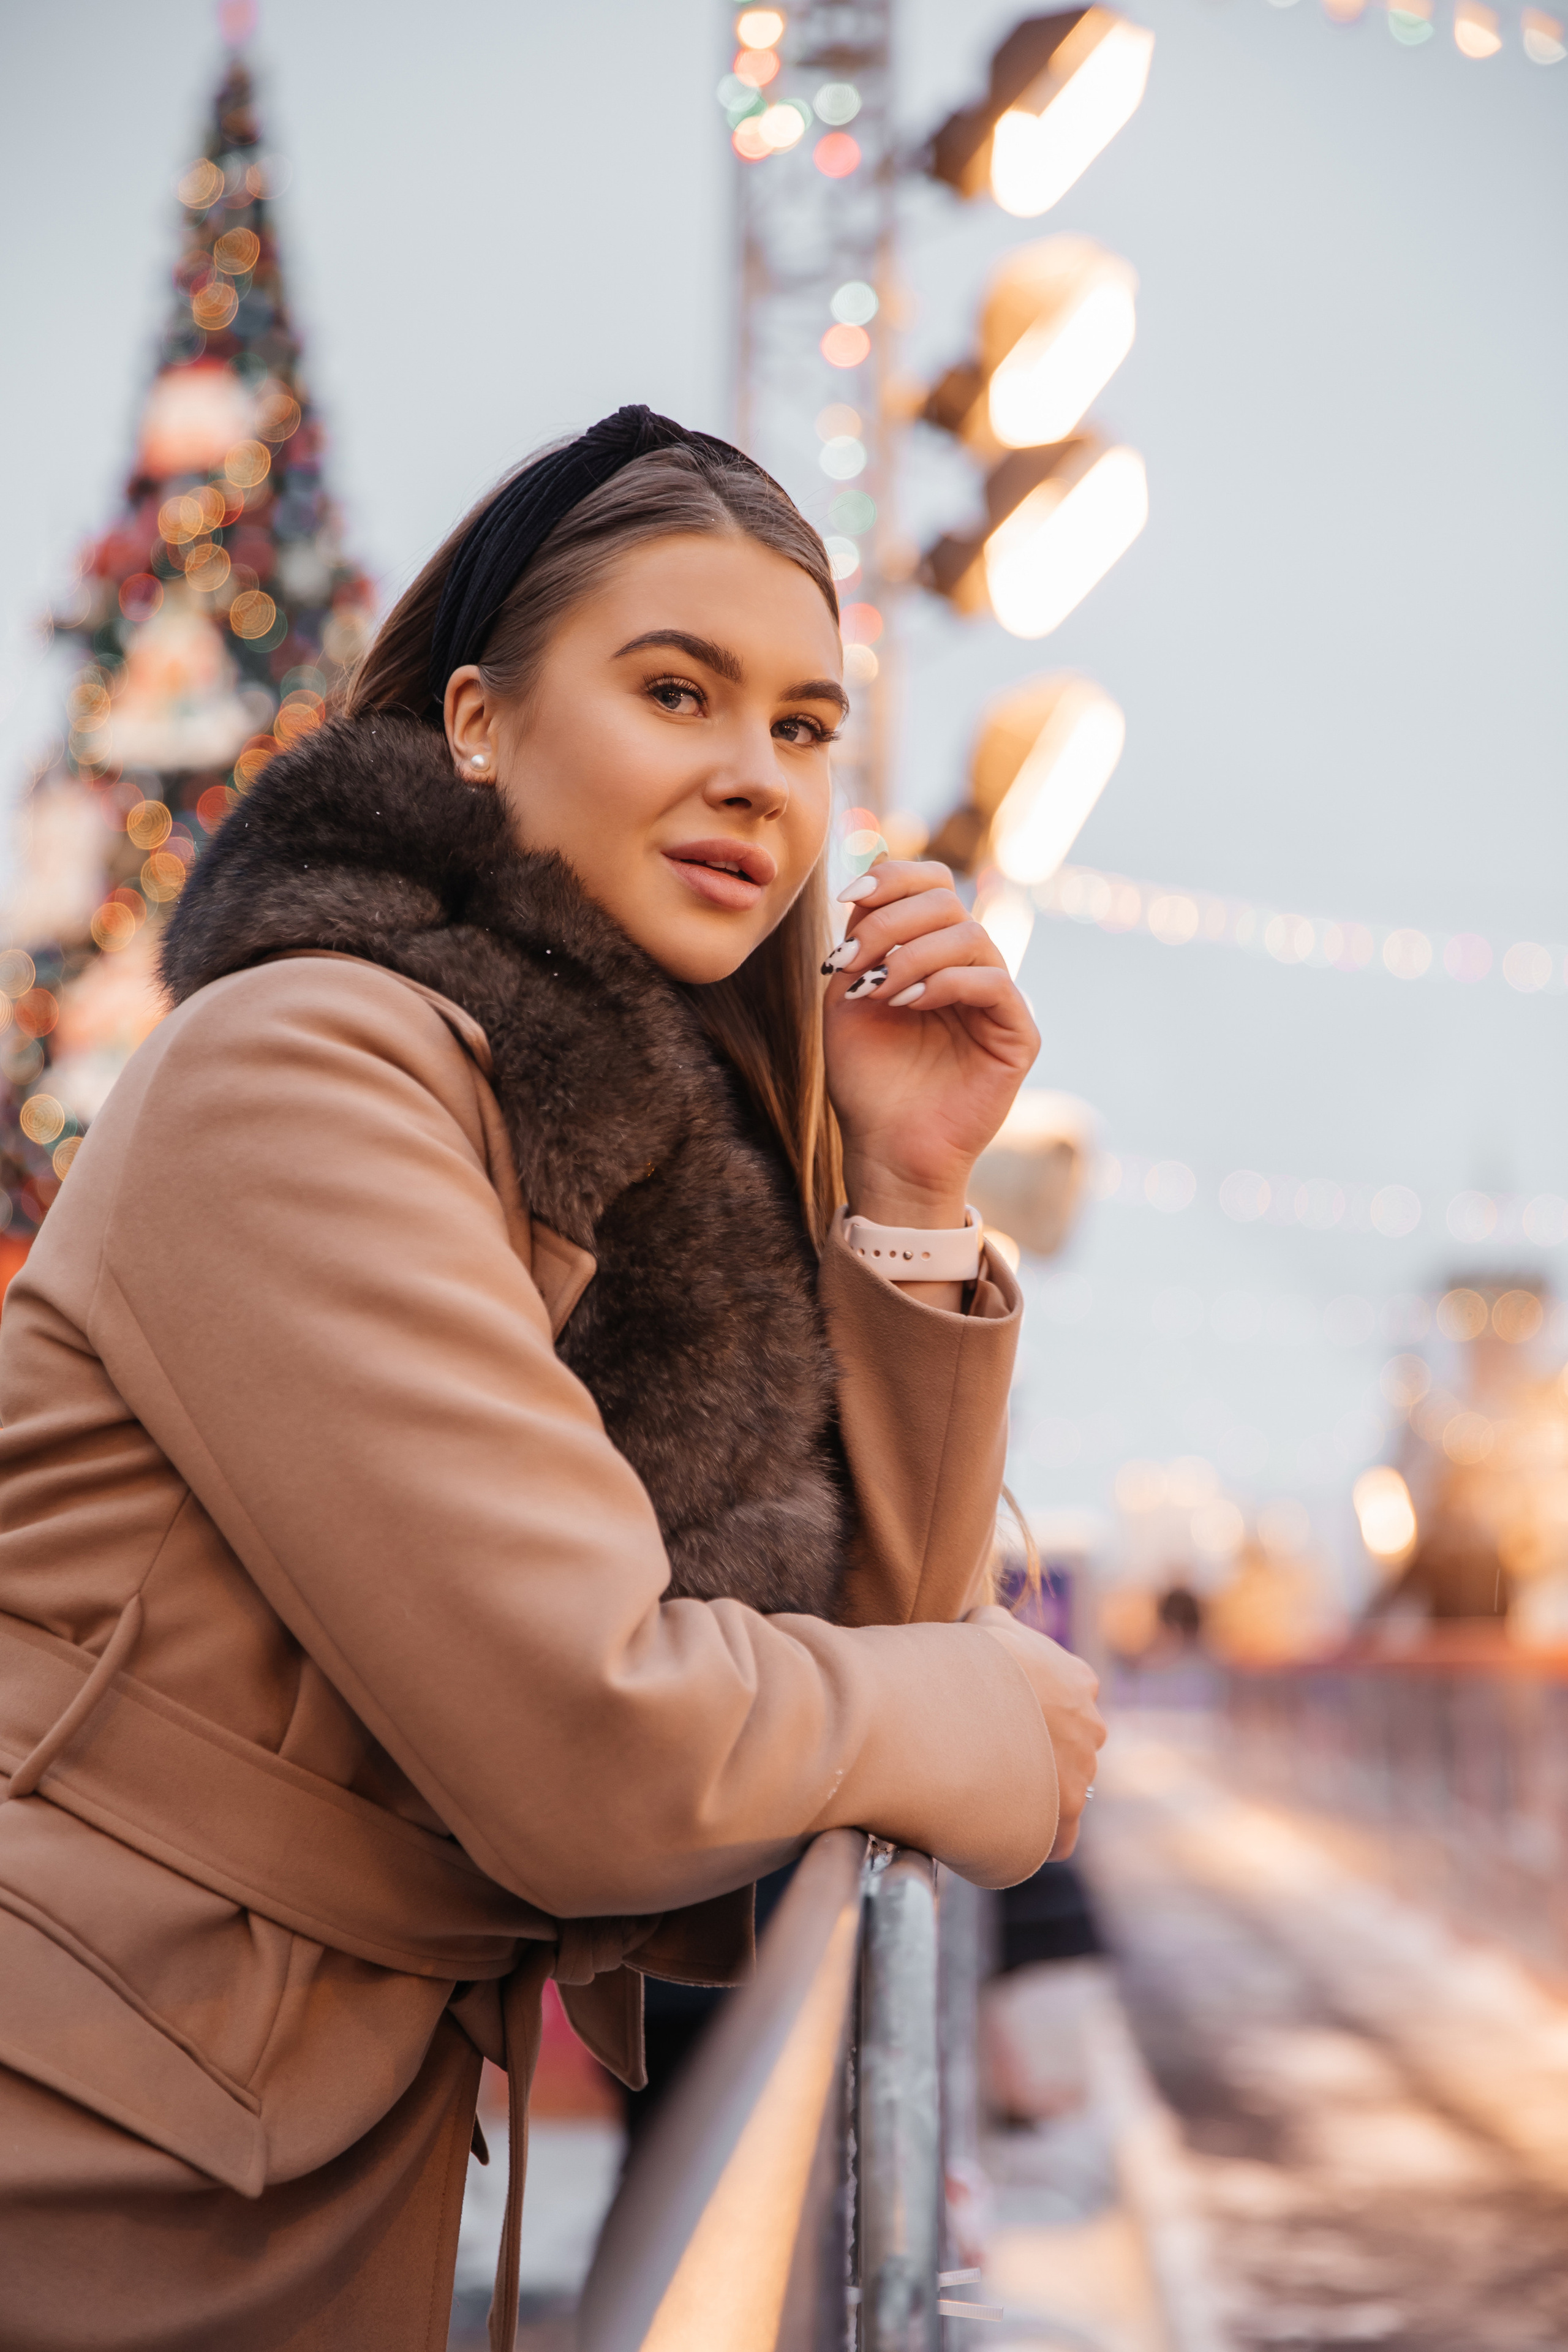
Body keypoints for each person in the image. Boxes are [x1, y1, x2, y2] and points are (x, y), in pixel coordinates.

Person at [0, 406, 1103, 2351]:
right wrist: (974, 1716)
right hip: (86, 2150)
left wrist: (916, 1182)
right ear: (478, 724)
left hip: (273, 2112)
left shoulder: (619, 1167)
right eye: (677, 690)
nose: (754, 777)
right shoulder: (309, 1069)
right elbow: (607, 1751)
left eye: (801, 726)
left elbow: (852, 1633)